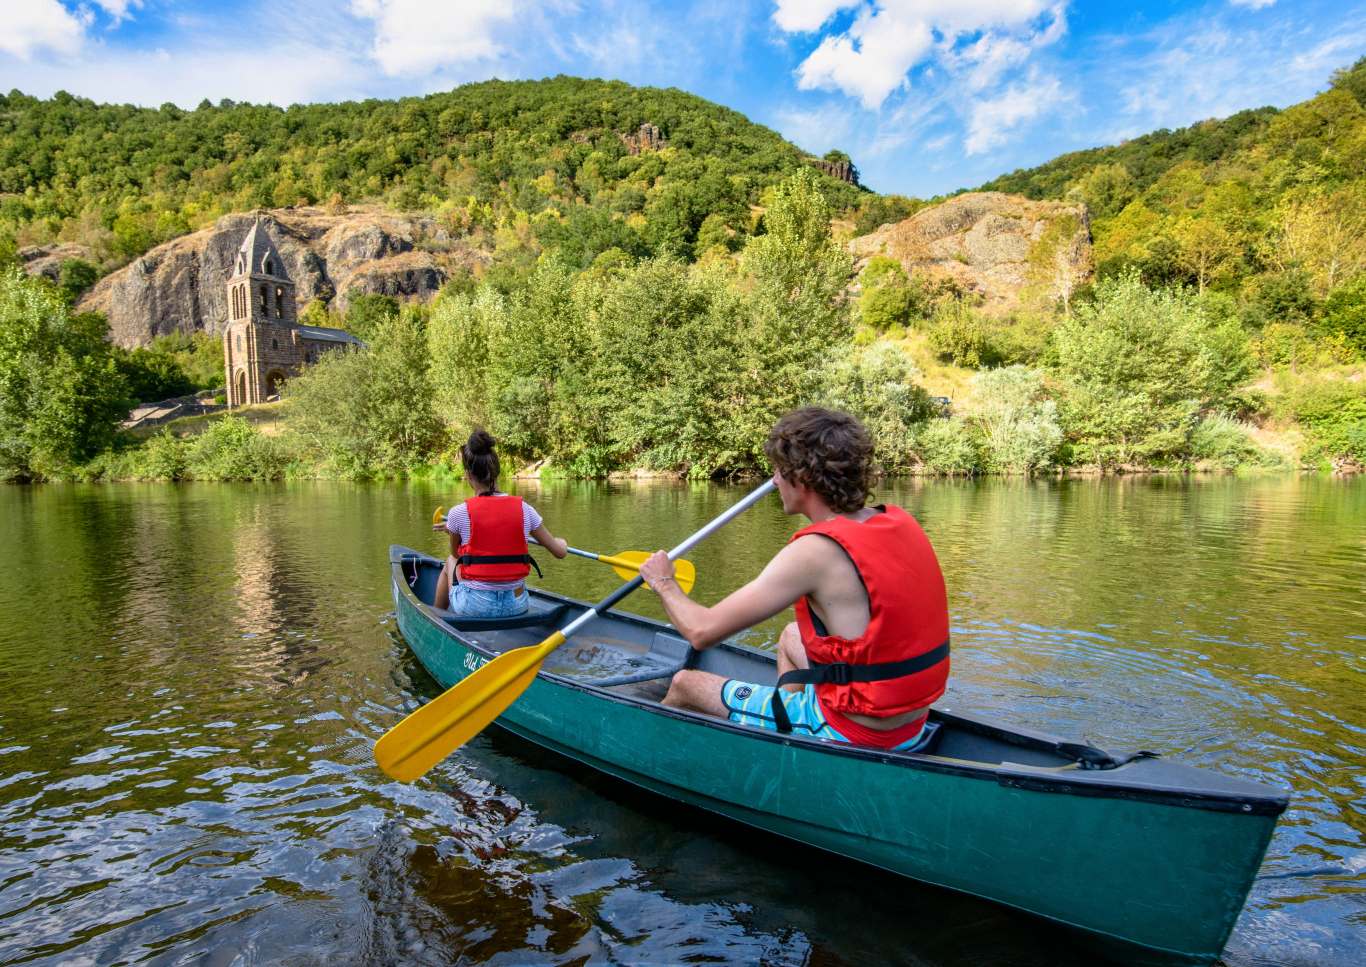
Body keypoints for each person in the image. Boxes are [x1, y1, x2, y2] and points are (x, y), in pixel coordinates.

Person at [638, 407, 950, 751]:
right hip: (910, 720)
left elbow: (701, 631)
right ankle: (781, 739)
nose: (773, 481)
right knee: (790, 636)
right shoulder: (898, 522)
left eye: (777, 471)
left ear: (800, 480)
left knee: (685, 683)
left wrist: (663, 581)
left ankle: (651, 755)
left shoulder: (815, 551)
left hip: (859, 733)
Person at [432, 429, 568, 617]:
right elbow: (560, 552)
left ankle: (436, 617)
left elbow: (457, 554)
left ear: (468, 475)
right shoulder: (525, 509)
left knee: (450, 561)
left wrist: (453, 532)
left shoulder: (458, 513)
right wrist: (562, 543)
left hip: (475, 607)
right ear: (496, 471)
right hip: (517, 605)